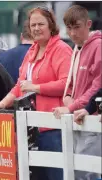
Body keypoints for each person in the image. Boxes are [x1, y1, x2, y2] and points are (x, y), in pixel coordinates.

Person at [0, 7, 72, 180]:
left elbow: (66, 84)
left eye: (41, 24)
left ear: (51, 26)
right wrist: (3, 103)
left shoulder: (61, 49)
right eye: (33, 25)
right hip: (32, 128)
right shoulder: (32, 50)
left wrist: (36, 87)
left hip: (53, 127)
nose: (36, 28)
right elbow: (20, 85)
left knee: (56, 175)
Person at [52, 5, 101, 180]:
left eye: (77, 27)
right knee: (83, 172)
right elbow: (72, 83)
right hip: (80, 118)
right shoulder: (77, 47)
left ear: (88, 24)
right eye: (69, 28)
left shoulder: (98, 46)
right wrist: (67, 97)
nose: (72, 33)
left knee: (80, 173)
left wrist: (73, 105)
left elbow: (98, 85)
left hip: (93, 120)